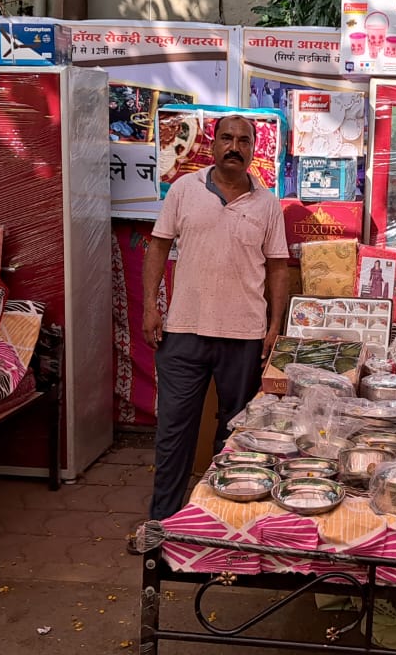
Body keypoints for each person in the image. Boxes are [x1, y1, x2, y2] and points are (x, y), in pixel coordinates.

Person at [142, 114, 290, 521]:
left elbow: (278, 266)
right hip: (183, 330)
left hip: (243, 334)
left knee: (235, 434)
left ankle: (219, 521)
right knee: (174, 431)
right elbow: (157, 248)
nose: (234, 146)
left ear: (254, 149)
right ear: (212, 143)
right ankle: (164, 521)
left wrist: (274, 326)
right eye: (227, 137)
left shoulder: (267, 202)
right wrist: (150, 306)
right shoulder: (184, 190)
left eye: (244, 140)